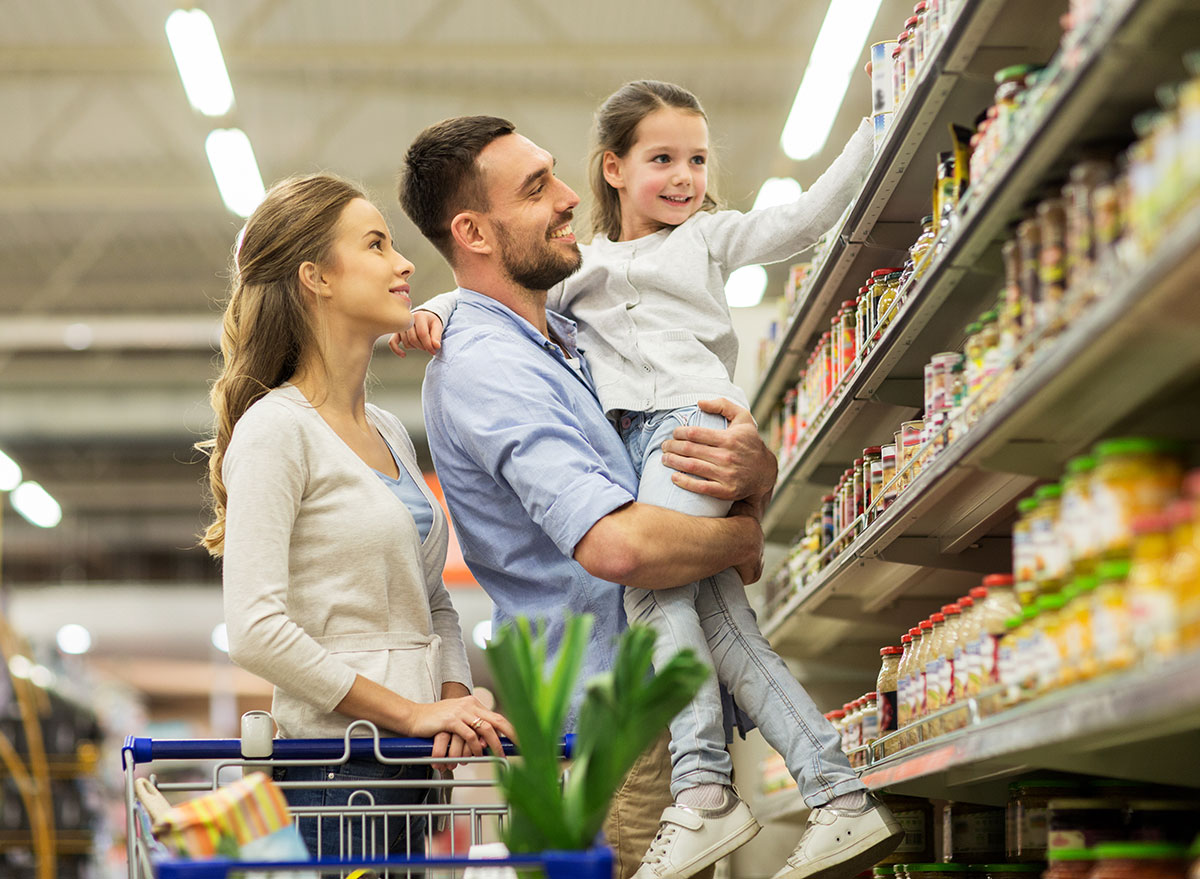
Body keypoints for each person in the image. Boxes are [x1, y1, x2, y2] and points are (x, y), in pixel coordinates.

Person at [400, 81, 903, 879]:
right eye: (537, 187)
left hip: (645, 685)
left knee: (733, 637)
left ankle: (760, 793)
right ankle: (817, 793)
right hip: (617, 709)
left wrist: (756, 473)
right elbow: (623, 549)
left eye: (697, 158)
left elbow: (799, 221)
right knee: (717, 627)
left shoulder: (568, 326)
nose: (566, 198)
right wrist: (740, 530)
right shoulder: (499, 351)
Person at [198, 173, 514, 860]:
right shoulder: (276, 430)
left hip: (413, 770)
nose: (403, 264)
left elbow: (433, 604)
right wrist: (411, 712)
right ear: (317, 277)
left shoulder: (390, 430)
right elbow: (254, 629)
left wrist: (452, 705)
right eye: (376, 244)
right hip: (333, 773)